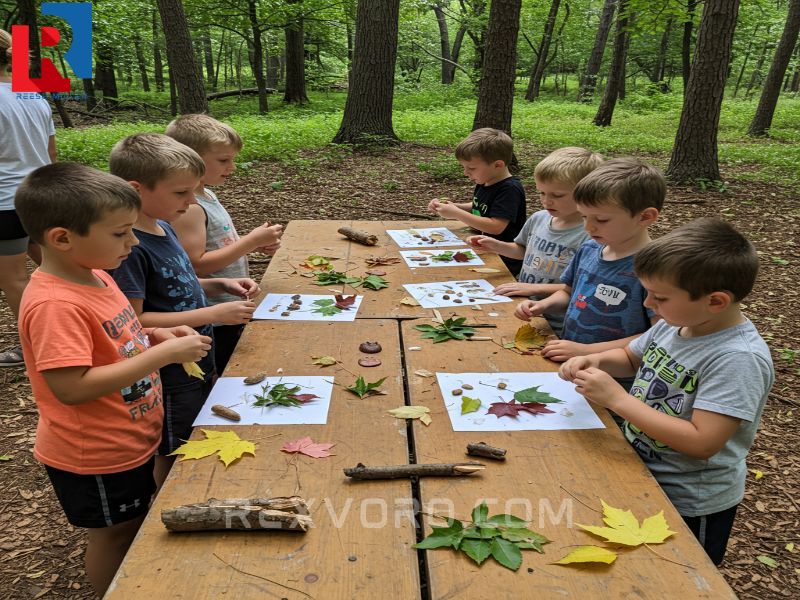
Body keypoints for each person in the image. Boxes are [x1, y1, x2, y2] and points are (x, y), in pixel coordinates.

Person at [15, 162, 212, 596]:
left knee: (136, 520)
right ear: (63, 238)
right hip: (95, 453)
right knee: (115, 534)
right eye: (120, 233)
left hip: (128, 436)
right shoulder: (54, 305)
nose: (133, 240)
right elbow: (71, 387)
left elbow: (119, 333)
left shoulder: (97, 274)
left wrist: (155, 334)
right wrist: (163, 354)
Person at [559, 218, 774, 566]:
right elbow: (630, 357)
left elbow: (702, 442)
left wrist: (616, 399)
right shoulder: (677, 326)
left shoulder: (737, 359)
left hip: (689, 499)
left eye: (659, 297)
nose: (647, 304)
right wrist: (594, 360)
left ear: (715, 301)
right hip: (639, 468)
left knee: (681, 574)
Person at [108, 133, 260, 486]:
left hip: (196, 356)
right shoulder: (129, 247)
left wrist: (217, 286)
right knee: (176, 447)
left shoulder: (162, 226)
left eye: (193, 192)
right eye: (181, 193)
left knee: (197, 431)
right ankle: (168, 504)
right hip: (168, 371)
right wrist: (212, 314)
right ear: (136, 188)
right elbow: (135, 320)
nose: (191, 201)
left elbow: (176, 283)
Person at [514, 158, 665, 362]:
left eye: (601, 220)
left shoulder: (656, 269)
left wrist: (586, 352)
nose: (588, 227)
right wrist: (543, 306)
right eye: (584, 217)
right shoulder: (589, 248)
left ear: (645, 217)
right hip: (571, 360)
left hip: (614, 377)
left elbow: (657, 336)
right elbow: (569, 293)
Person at [165, 114, 283, 372]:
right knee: (224, 368)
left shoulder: (207, 195)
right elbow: (196, 265)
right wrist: (250, 242)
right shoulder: (191, 208)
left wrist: (253, 244)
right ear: (190, 158)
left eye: (232, 159)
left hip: (229, 303)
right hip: (215, 313)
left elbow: (216, 244)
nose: (232, 167)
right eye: (223, 160)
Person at [466, 147, 602, 335]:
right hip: (522, 306)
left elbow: (580, 286)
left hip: (558, 322)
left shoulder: (593, 235)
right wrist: (496, 245)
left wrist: (531, 288)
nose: (546, 201)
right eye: (542, 193)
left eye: (557, 195)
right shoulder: (539, 218)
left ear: (588, 193)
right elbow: (523, 249)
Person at [0, 29, 56, 367]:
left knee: (14, 279)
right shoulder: (31, 94)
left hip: (5, 203)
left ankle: (34, 347)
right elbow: (50, 152)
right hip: (40, 196)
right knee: (57, 268)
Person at [427, 127, 526, 276]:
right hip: (484, 249)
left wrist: (457, 214)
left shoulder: (509, 189)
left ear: (497, 165)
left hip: (504, 259)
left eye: (471, 168)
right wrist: (455, 206)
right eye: (464, 167)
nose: (466, 173)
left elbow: (496, 227)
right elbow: (480, 205)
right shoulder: (486, 180)